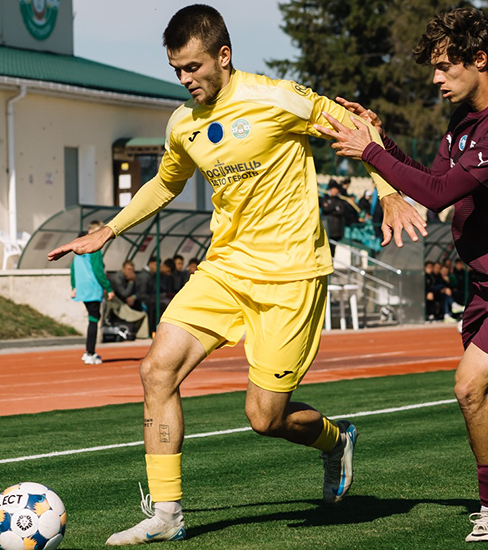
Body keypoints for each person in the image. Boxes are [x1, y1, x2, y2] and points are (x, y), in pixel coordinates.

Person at [47, 5, 426, 545]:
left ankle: (335, 440)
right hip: (225, 269)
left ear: (223, 56)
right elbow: (166, 183)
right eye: (176, 70)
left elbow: (358, 127)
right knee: (156, 371)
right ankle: (167, 515)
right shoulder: (183, 123)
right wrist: (109, 230)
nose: (185, 79)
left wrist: (388, 193)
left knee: (265, 418)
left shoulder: (277, 98)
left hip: (292, 276)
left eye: (193, 67)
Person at [317, 7, 488, 542]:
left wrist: (369, 151)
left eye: (444, 66)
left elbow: (438, 196)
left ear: (479, 59)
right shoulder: (463, 121)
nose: (435, 78)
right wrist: (381, 141)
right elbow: (430, 180)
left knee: (470, 385)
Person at [70, 220, 115, 365]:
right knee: (94, 319)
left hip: (83, 289)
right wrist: (108, 288)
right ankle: (90, 352)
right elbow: (98, 270)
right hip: (93, 288)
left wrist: (74, 286)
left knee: (92, 318)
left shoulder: (78, 250)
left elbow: (73, 269)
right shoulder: (94, 248)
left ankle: (88, 352)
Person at [107, 260, 151, 340]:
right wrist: (131, 282)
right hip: (117, 304)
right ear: (123, 269)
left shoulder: (133, 277)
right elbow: (124, 294)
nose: (130, 272)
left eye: (132, 270)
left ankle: (141, 333)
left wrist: (134, 297)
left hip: (129, 303)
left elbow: (140, 292)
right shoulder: (117, 278)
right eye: (128, 269)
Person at [320, 180, 359, 257]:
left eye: (336, 189)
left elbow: (341, 211)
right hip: (326, 230)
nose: (335, 191)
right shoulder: (325, 198)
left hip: (336, 231)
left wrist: (331, 208)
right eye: (333, 189)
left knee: (332, 252)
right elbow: (325, 209)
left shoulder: (341, 200)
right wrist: (335, 208)